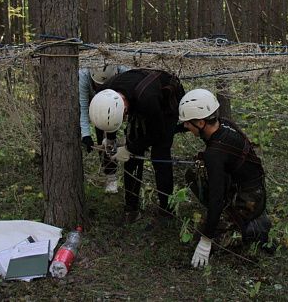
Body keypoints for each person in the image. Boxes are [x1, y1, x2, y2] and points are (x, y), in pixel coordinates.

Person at [177, 89, 272, 268]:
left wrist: (206, 240)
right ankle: (236, 216)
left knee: (206, 237)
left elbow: (216, 198)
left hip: (250, 197)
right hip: (245, 184)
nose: (186, 128)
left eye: (188, 124)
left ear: (200, 122)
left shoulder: (215, 154)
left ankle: (253, 228)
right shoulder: (224, 124)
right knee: (194, 174)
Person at [89, 69, 185, 223]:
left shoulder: (147, 99)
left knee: (159, 154)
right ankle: (131, 209)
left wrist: (129, 148)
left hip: (166, 102)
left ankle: (166, 210)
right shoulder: (104, 93)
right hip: (138, 98)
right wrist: (111, 140)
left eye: (125, 114)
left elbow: (157, 133)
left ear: (124, 107)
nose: (126, 117)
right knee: (132, 155)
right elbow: (108, 119)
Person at [79, 65, 127, 193]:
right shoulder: (83, 76)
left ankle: (115, 176)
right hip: (95, 105)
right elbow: (83, 107)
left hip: (116, 102)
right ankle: (110, 176)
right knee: (101, 132)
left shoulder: (123, 72)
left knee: (111, 137)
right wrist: (86, 135)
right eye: (98, 85)